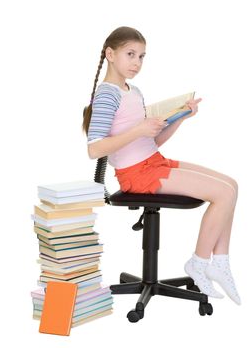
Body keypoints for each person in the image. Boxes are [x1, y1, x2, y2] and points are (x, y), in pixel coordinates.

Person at [82, 26, 241, 305]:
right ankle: (199, 262)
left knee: (231, 185)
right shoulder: (107, 94)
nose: (137, 63)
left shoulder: (134, 90)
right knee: (223, 194)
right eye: (130, 54)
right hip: (136, 175)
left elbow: (151, 142)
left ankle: (220, 262)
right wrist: (139, 130)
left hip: (153, 162)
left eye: (142, 56)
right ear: (110, 54)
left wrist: (179, 117)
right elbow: (94, 149)